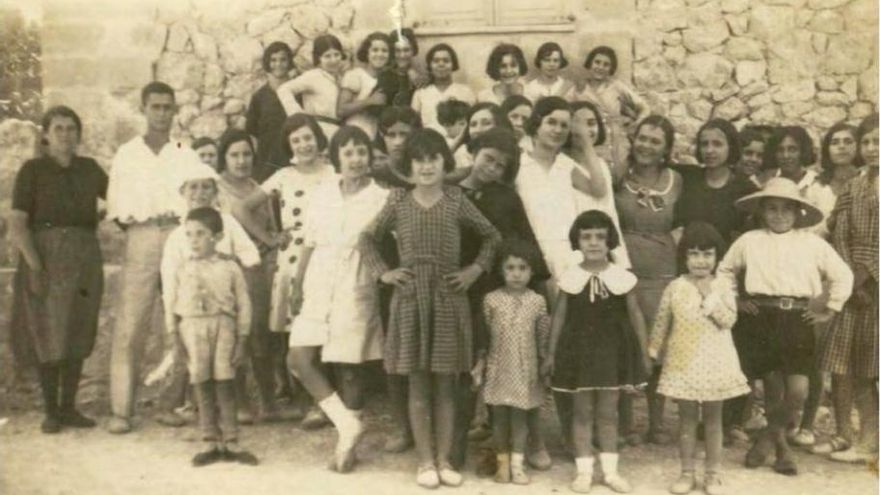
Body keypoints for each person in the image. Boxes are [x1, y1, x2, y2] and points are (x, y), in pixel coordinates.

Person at [359, 128, 501, 488]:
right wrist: (385, 273)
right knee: (418, 386)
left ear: (444, 162)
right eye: (419, 160)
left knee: (446, 385)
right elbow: (366, 238)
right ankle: (424, 462)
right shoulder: (397, 201)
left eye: (433, 159)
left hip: (447, 298)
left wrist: (473, 270)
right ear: (409, 166)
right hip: (410, 300)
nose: (426, 166)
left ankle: (444, 460)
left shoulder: (456, 199)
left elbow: (491, 236)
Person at [716, 177, 853, 476]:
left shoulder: (812, 243)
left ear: (798, 213)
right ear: (762, 211)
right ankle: (783, 452)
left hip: (796, 320)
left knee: (799, 391)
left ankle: (766, 439)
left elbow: (843, 275)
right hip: (760, 319)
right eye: (772, 208)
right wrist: (735, 300)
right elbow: (725, 271)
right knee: (773, 389)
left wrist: (830, 309)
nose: (779, 215)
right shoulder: (749, 241)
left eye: (787, 209)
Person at [287, 126, 390, 472]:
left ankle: (347, 444)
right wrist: (297, 283)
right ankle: (348, 424)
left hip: (356, 281)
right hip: (319, 277)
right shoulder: (323, 192)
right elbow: (308, 241)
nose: (356, 159)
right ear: (337, 159)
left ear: (371, 157)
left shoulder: (381, 197)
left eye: (362, 152)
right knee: (299, 357)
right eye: (348, 153)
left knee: (350, 365)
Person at [453, 128, 552, 471]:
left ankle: (530, 442)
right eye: (487, 158)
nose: (491, 168)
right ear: (474, 154)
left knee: (510, 365)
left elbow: (523, 243)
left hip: (498, 290)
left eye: (499, 165)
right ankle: (472, 441)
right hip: (459, 291)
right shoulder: (451, 190)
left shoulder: (505, 198)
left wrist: (532, 288)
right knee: (471, 368)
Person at [106, 81, 201, 434]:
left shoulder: (184, 150)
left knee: (178, 317)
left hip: (178, 233)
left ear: (175, 110)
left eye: (167, 107)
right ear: (144, 110)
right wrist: (142, 231)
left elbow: (196, 198)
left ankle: (169, 402)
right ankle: (121, 409)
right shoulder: (128, 153)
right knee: (132, 321)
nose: (162, 113)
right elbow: (116, 205)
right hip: (142, 234)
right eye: (155, 107)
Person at [233, 114, 337, 428]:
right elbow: (240, 208)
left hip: (327, 255)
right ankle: (307, 402)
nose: (303, 145)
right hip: (293, 258)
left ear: (318, 139)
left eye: (308, 137)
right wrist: (268, 238)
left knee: (327, 329)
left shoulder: (334, 173)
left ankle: (330, 402)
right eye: (296, 140)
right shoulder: (283, 177)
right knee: (296, 331)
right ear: (289, 145)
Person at [9, 105, 107, 433]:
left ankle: (69, 408)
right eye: (59, 128)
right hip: (46, 258)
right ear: (46, 136)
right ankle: (51, 411)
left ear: (79, 134)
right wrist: (36, 266)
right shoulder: (32, 171)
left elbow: (121, 200)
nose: (66, 135)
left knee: (78, 329)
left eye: (71, 128)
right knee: (48, 332)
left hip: (84, 259)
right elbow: (18, 224)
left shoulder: (91, 169)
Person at [543, 210, 649, 494]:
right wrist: (551, 354)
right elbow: (560, 317)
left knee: (608, 413)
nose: (593, 243)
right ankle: (584, 471)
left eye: (600, 237)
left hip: (610, 353)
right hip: (578, 352)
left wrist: (643, 351)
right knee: (581, 413)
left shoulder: (621, 277)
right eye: (586, 237)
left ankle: (611, 472)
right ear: (577, 241)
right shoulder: (570, 278)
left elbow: (635, 315)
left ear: (610, 241)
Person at [648, 222, 750, 495]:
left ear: (717, 257)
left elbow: (729, 320)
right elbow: (661, 322)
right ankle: (687, 473)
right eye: (693, 254)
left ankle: (713, 474)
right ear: (684, 257)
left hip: (716, 362)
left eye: (707, 254)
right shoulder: (675, 287)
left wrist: (709, 295)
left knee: (714, 420)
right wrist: (653, 351)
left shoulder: (723, 286)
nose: (700, 261)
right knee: (686, 420)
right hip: (683, 362)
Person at [160, 158, 261, 426]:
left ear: (215, 192)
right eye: (193, 187)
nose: (200, 193)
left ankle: (236, 403)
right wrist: (173, 319)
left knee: (229, 355)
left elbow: (251, 254)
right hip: (192, 310)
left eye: (206, 187)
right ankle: (189, 406)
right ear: (182, 192)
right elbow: (169, 281)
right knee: (192, 357)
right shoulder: (179, 234)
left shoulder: (227, 222)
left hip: (224, 306)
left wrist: (232, 263)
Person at [164, 207, 258, 466]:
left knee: (225, 382)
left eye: (201, 234)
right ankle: (209, 439)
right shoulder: (182, 268)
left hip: (223, 327)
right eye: (189, 234)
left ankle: (231, 440)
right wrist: (174, 336)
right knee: (201, 383)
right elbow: (170, 301)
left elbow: (244, 304)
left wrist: (242, 337)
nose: (193, 240)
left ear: (216, 237)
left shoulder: (230, 267)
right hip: (192, 329)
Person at [615, 115, 683, 446]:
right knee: (625, 343)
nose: (646, 145)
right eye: (642, 138)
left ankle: (656, 421)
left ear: (666, 149)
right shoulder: (618, 176)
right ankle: (625, 422)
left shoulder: (677, 180)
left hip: (662, 270)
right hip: (625, 268)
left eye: (655, 141)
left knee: (658, 346)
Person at [215, 129, 289, 422]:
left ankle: (269, 401)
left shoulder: (258, 186)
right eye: (234, 155)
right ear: (224, 158)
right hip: (230, 266)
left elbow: (273, 225)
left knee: (261, 331)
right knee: (236, 333)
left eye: (246, 154)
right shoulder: (217, 188)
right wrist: (268, 240)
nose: (242, 160)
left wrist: (272, 244)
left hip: (260, 268)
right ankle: (241, 403)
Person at [817, 114, 879, 463]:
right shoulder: (856, 183)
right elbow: (832, 225)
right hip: (851, 285)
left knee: (868, 369)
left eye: (877, 142)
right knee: (841, 364)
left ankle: (870, 442)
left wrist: (863, 280)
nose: (872, 149)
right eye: (867, 142)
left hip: (873, 289)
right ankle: (845, 434)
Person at [516, 97, 610, 300]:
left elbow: (599, 188)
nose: (558, 130)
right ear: (537, 124)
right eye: (551, 122)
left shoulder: (565, 165)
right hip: (531, 253)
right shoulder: (519, 163)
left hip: (566, 254)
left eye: (564, 125)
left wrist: (586, 144)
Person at [472, 240, 550, 485]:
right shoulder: (491, 300)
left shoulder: (537, 301)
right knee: (500, 421)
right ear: (501, 271)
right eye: (510, 268)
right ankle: (502, 465)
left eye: (522, 268)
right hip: (498, 369)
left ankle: (517, 466)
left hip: (525, 371)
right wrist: (480, 365)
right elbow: (483, 337)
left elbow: (542, 338)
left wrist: (544, 365)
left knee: (520, 419)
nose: (516, 274)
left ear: (532, 271)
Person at [567, 100, 631, 267]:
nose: (586, 130)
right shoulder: (563, 165)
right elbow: (598, 191)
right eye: (578, 125)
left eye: (591, 123)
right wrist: (586, 143)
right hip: (580, 249)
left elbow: (609, 209)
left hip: (607, 246)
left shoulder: (600, 164)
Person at [673, 119, 756, 243]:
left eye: (717, 144)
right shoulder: (688, 176)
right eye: (704, 144)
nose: (709, 150)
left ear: (731, 146)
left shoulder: (746, 189)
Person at [569, 46, 649, 143]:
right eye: (597, 62)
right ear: (590, 63)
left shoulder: (617, 86)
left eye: (606, 65)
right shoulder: (579, 88)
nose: (600, 67)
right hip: (588, 140)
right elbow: (564, 110)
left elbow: (644, 107)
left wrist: (637, 124)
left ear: (611, 68)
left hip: (614, 140)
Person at [768, 126, 835, 238]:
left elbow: (825, 227)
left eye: (792, 149)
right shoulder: (769, 184)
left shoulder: (819, 186)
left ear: (803, 151)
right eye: (780, 150)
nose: (786, 156)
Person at [277, 34, 345, 140]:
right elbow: (284, 89)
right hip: (319, 131)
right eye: (327, 56)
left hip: (338, 133)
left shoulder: (341, 78)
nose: (333, 60)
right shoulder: (314, 76)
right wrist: (298, 116)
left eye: (337, 54)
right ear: (318, 58)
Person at [246, 41, 295, 182]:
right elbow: (252, 133)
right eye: (273, 60)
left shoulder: (298, 92)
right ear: (267, 63)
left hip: (293, 157)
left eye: (283, 59)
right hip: (267, 160)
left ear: (289, 62)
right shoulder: (259, 97)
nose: (278, 64)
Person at [337, 32, 392, 140]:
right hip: (354, 133)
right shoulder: (356, 75)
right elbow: (341, 110)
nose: (380, 54)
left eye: (384, 51)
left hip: (376, 136)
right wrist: (369, 101)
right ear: (367, 53)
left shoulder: (388, 78)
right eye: (375, 50)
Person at [411, 43, 476, 132]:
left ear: (453, 64)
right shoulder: (421, 93)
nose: (441, 64)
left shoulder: (466, 92)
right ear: (430, 65)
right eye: (436, 61)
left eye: (446, 61)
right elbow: (414, 124)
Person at [374, 27, 422, 108]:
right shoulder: (385, 77)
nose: (402, 55)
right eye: (397, 51)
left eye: (406, 50)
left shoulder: (419, 76)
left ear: (413, 51)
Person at [818, 121, 860, 197]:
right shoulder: (818, 185)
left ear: (858, 147)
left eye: (848, 142)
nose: (841, 146)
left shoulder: (869, 180)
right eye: (834, 143)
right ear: (827, 149)